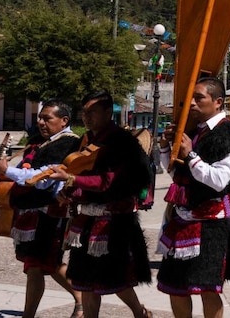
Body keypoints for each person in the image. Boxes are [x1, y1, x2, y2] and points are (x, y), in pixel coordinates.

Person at [156, 77, 230, 318]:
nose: (192, 103)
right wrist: (165, 148)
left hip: (212, 224)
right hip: (181, 219)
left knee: (207, 289)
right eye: (190, 98)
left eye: (199, 98)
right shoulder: (192, 130)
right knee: (176, 288)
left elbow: (219, 180)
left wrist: (190, 155)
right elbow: (175, 173)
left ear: (218, 102)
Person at [48, 91, 151, 318]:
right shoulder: (86, 140)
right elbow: (82, 175)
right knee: (86, 282)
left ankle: (139, 312)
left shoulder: (122, 143)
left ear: (108, 112)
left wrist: (71, 180)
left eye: (92, 112)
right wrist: (68, 192)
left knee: (115, 279)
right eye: (84, 112)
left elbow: (108, 181)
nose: (86, 117)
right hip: (85, 220)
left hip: (113, 223)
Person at [0, 100, 83, 318]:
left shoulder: (68, 144)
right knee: (48, 264)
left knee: (35, 266)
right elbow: (21, 171)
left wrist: (9, 171)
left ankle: (28, 315)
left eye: (47, 118)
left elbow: (41, 179)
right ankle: (81, 300)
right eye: (40, 117)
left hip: (51, 213)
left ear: (64, 121)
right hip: (32, 213)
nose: (40, 122)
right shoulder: (40, 142)